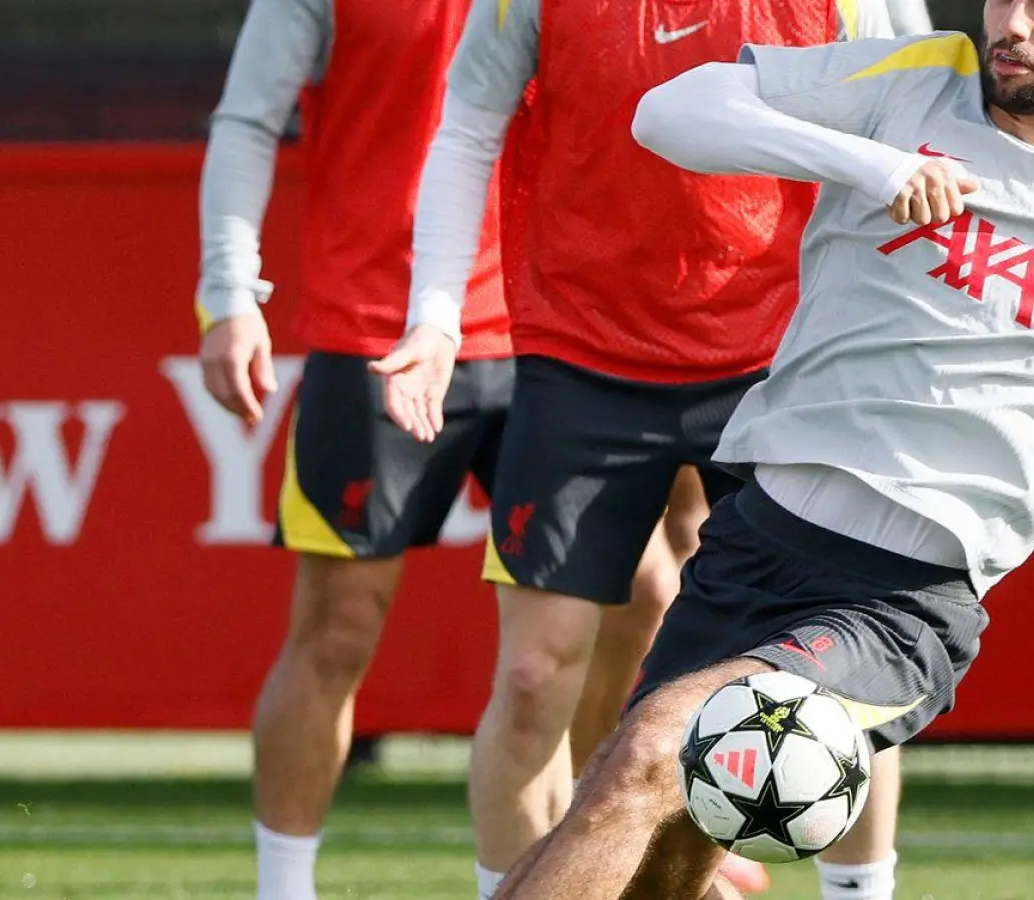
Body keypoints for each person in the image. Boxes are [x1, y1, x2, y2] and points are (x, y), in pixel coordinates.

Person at [489, 1, 1034, 897]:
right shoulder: (912, 81)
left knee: (661, 749)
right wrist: (872, 165)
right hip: (754, 544)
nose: (1011, 23)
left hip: (899, 605)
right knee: (649, 834)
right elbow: (667, 114)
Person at [374, 1, 937, 896]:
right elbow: (469, 126)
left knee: (830, 677)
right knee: (529, 678)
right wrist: (437, 317)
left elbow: (920, 135)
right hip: (578, 352)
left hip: (782, 356)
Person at [193, 2, 701, 898]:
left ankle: (590, 861)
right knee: (336, 630)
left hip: (558, 334)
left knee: (637, 604)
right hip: (376, 334)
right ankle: (284, 888)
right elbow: (246, 116)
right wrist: (229, 291)